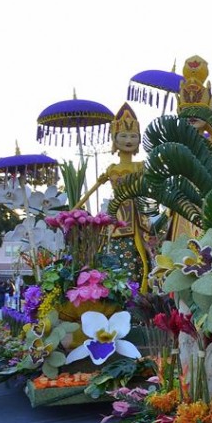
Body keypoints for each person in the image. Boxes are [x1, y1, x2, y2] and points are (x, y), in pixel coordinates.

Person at [75, 104, 151, 288]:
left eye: (133, 136)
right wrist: (74, 211)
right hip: (115, 216)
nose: (128, 140)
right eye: (123, 136)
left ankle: (141, 290)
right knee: (112, 251)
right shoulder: (111, 169)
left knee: (141, 255)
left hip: (137, 215)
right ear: (114, 139)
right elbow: (92, 190)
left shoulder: (141, 166)